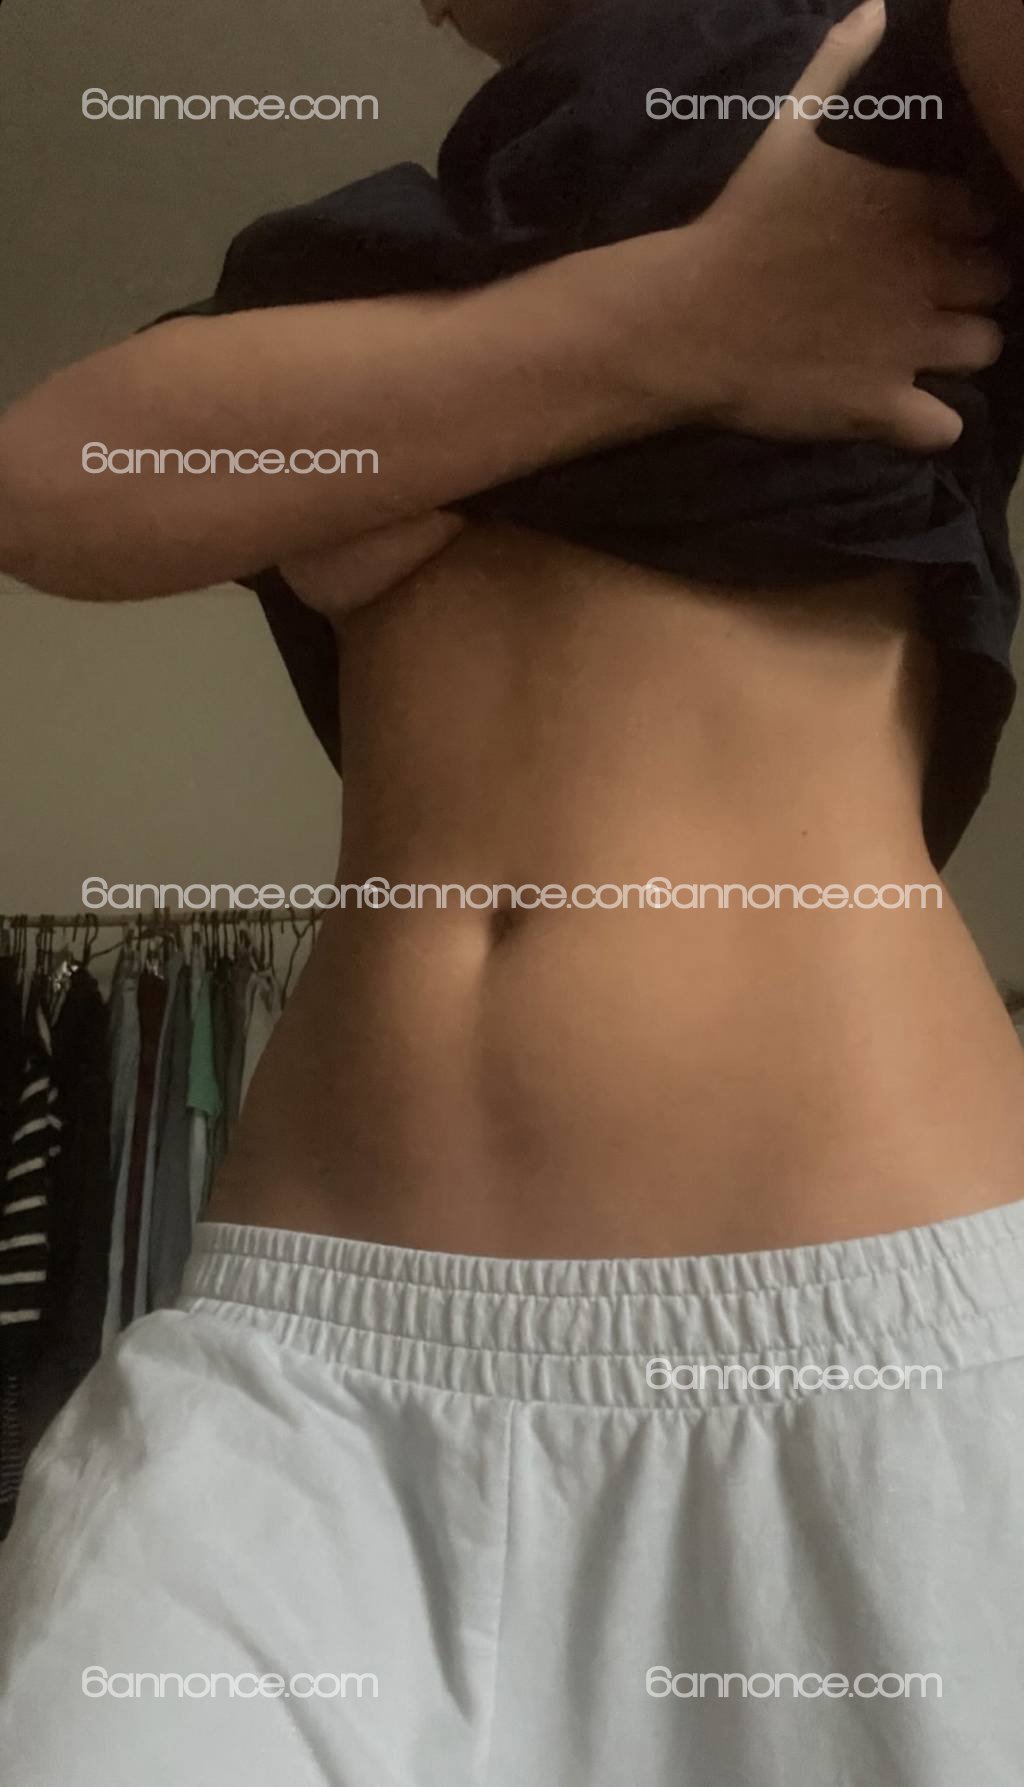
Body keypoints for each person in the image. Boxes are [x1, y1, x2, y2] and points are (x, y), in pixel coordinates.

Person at [2, 0, 1024, 1780]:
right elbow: (53, 481)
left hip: (857, 1348)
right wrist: (680, 322)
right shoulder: (353, 255)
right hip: (308, 1378)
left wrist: (420, 432)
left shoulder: (885, 81)